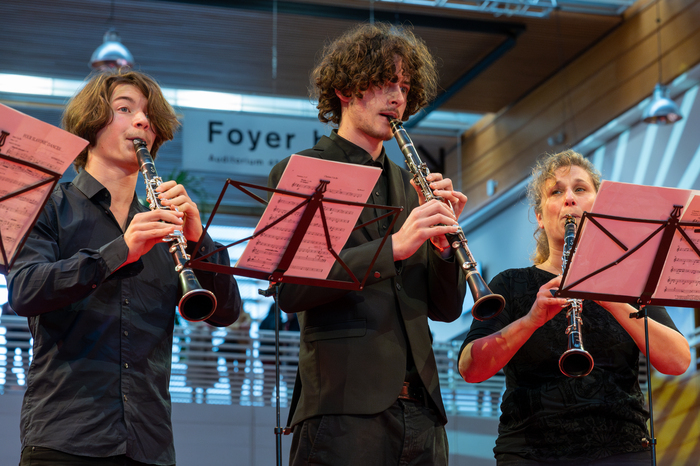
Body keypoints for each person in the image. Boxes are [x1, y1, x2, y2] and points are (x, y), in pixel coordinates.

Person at [7, 69, 242, 466]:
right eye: (124, 108)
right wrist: (121, 251)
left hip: (148, 444)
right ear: (92, 123)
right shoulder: (51, 205)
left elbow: (227, 312)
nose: (142, 121)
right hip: (65, 439)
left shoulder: (167, 227)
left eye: (149, 115)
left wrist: (199, 238)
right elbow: (25, 291)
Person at [268, 22, 468, 465]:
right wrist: (394, 247)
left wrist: (443, 250)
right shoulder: (302, 169)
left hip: (422, 412)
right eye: (384, 82)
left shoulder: (408, 182)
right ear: (345, 88)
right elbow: (291, 289)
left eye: (404, 85)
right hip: (343, 407)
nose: (397, 96)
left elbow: (445, 308)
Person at [458, 150, 691, 465]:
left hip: (622, 448)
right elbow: (471, 368)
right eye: (556, 191)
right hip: (530, 453)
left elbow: (677, 360)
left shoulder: (629, 283)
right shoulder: (509, 284)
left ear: (600, 205)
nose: (569, 198)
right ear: (540, 217)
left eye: (580, 189)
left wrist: (613, 301)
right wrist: (530, 321)